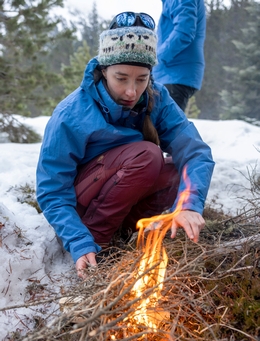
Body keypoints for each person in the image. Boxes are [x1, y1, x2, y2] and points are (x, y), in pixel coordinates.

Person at [36, 11, 214, 279]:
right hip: (81, 208)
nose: (132, 91)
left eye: (141, 79)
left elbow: (196, 152)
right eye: (121, 78)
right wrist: (79, 240)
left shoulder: (157, 97)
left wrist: (189, 204)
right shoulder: (72, 113)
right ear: (104, 70)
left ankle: (126, 232)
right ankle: (98, 243)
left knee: (178, 173)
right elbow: (52, 190)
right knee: (148, 156)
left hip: (120, 189)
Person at [153, 0, 206, 112]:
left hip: (175, 73)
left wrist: (156, 58)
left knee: (165, 127)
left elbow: (184, 31)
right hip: (171, 74)